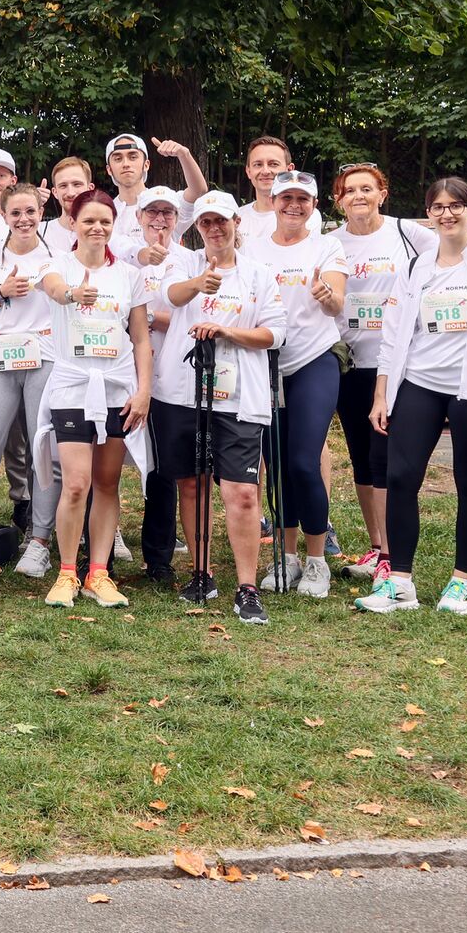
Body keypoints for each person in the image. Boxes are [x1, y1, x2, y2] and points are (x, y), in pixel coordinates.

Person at [359, 177, 467, 616]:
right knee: (400, 477)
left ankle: (460, 583)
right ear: (429, 214)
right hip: (420, 384)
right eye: (438, 206)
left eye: (456, 206)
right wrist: (381, 396)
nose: (447, 213)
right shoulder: (415, 268)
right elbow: (392, 338)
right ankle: (400, 584)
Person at [147, 193, 284, 619]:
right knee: (192, 484)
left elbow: (275, 333)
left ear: (235, 222)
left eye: (221, 221)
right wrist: (198, 284)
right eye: (206, 222)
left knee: (241, 492)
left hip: (238, 396)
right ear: (198, 227)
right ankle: (201, 573)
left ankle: (247, 587)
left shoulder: (258, 273)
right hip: (181, 393)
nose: (214, 229)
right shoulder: (185, 262)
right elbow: (169, 296)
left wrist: (227, 332)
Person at [34, 188, 153, 610]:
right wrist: (73, 294)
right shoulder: (57, 264)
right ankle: (67, 572)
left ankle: (98, 574)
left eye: (105, 221)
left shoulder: (129, 275)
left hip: (117, 388)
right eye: (89, 220)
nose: (97, 228)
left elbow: (141, 338)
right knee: (76, 483)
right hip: (72, 386)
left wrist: (143, 391)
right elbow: (53, 289)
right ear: (73, 222)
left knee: (106, 482)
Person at [329, 163, 436, 584]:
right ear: (338, 200)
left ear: (382, 194)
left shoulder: (408, 234)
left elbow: (451, 260)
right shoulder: (331, 243)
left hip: (397, 365)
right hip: (350, 362)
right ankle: (377, 548)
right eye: (350, 190)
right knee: (361, 457)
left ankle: (392, 553)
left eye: (366, 189)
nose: (358, 196)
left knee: (385, 456)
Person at [243, 171, 348, 598]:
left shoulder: (327, 246)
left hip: (313, 359)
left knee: (304, 462)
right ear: (272, 201)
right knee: (278, 466)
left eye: (302, 199)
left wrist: (328, 296)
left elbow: (336, 302)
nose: (293, 205)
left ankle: (317, 559)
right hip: (266, 364)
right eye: (285, 197)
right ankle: (287, 556)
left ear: (313, 204)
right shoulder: (252, 248)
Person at [0, 183, 58, 577]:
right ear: (3, 216)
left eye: (30, 211)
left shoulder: (56, 253)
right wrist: (1, 292)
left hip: (45, 356)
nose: (23, 219)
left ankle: (39, 539)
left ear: (40, 212)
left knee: (43, 452)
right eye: (15, 213)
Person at [126, 186, 204, 583]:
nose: (159, 219)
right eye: (152, 212)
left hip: (171, 373)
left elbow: (195, 316)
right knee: (106, 462)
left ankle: (159, 557)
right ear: (138, 216)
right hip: (123, 369)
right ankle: (97, 553)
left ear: (178, 219)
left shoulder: (190, 260)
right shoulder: (123, 253)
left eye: (167, 213)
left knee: (163, 467)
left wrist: (150, 318)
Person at [101, 133, 206, 243]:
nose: (126, 164)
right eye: (118, 159)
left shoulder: (168, 202)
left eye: (133, 157)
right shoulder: (102, 212)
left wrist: (184, 155)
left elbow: (198, 191)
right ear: (109, 169)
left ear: (146, 165)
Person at [238, 136, 323, 240]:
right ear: (248, 171)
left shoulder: (305, 214)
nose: (265, 171)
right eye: (258, 164)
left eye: (273, 164)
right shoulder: (236, 217)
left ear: (289, 170)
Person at [41, 157, 94, 255]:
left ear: (90, 189)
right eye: (63, 186)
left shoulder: (104, 232)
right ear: (55, 192)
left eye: (77, 184)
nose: (70, 193)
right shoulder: (39, 233)